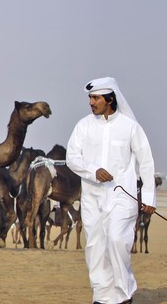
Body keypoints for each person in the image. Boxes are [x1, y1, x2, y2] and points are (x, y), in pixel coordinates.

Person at [66, 76, 156, 304]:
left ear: (110, 99)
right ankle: (102, 296)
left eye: (95, 98)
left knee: (117, 240)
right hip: (92, 197)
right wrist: (92, 170)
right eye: (90, 98)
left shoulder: (130, 127)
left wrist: (148, 197)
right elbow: (72, 158)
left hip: (121, 197)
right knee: (95, 247)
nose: (91, 102)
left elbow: (145, 162)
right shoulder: (83, 126)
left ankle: (124, 295)